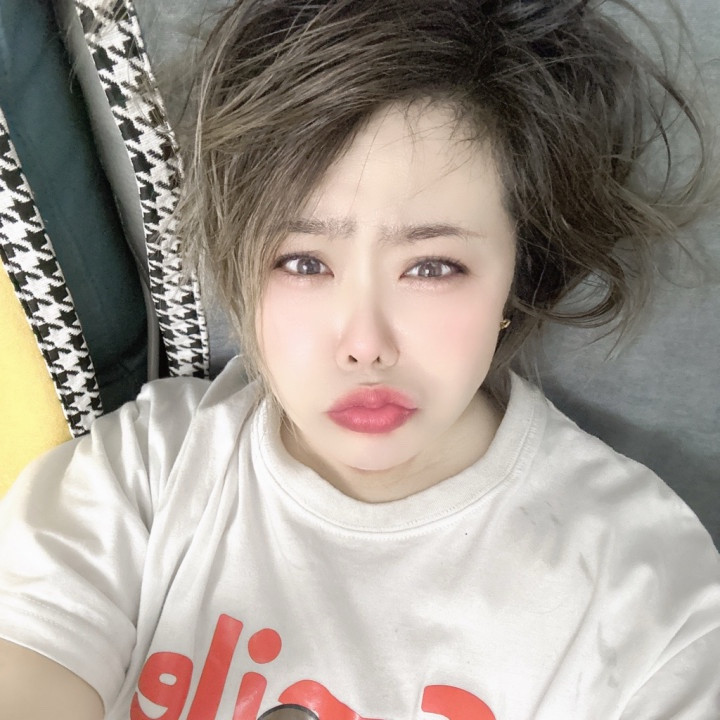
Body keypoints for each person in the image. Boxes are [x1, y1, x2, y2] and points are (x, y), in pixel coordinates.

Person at [1, 0, 719, 718]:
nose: (365, 343)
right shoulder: (144, 476)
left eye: (433, 267)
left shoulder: (645, 592)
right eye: (304, 263)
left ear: (516, 274)